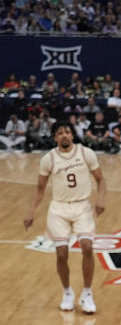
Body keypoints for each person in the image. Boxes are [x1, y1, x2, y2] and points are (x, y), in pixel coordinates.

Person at [23, 122, 107, 313]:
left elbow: (101, 179)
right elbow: (40, 189)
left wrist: (100, 198)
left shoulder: (86, 153)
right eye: (60, 133)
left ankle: (87, 293)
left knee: (87, 246)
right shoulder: (48, 159)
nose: (64, 136)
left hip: (82, 207)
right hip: (58, 209)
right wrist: (30, 211)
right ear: (55, 138)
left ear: (73, 135)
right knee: (61, 253)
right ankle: (67, 292)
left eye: (67, 132)